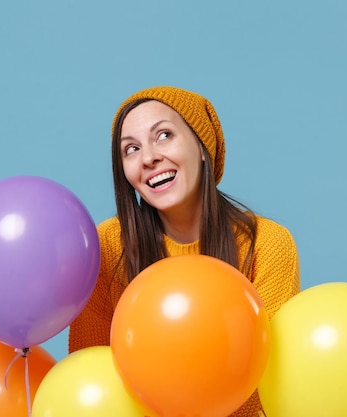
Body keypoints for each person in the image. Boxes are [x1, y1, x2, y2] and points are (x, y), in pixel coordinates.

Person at [69, 86, 300, 416]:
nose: (148, 157)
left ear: (202, 147)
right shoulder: (105, 246)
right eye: (130, 149)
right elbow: (90, 374)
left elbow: (268, 380)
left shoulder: (267, 244)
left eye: (163, 135)